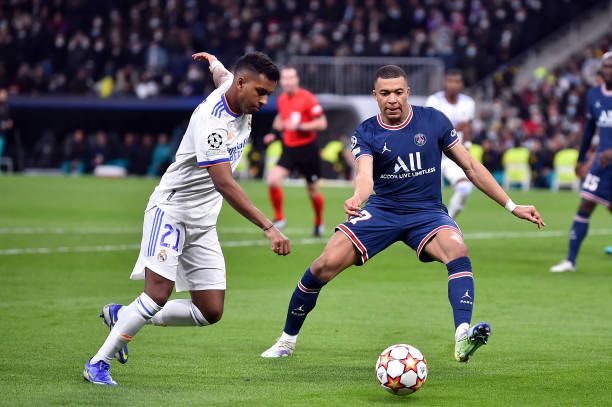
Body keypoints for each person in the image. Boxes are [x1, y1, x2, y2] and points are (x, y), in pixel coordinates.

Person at [261, 65, 545, 363]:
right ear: (375, 96)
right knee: (322, 265)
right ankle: (286, 342)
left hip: (427, 214)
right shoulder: (367, 131)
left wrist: (512, 206)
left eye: (398, 92)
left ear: (407, 92)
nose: (392, 99)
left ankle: (462, 336)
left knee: (457, 248)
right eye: (385, 93)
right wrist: (358, 197)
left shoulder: (433, 120)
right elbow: (365, 176)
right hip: (382, 211)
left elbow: (471, 167)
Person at [83, 51, 290, 386]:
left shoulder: (233, 88)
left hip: (203, 222)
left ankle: (123, 315)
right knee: (157, 294)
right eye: (261, 92)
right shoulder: (214, 122)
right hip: (172, 211)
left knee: (209, 311)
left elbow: (221, 75)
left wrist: (213, 62)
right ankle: (97, 363)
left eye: (269, 93)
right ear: (243, 84)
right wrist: (268, 227)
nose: (266, 101)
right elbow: (223, 182)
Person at [550, 52, 612, 272]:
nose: (609, 70)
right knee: (586, 203)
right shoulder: (594, 95)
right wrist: (580, 158)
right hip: (602, 165)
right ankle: (570, 260)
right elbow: (589, 131)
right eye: (607, 66)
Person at [264, 66, 328, 236]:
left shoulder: (308, 98)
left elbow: (322, 123)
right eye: (284, 78)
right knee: (272, 180)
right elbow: (280, 118)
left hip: (308, 149)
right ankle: (279, 218)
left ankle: (319, 222)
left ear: (297, 80)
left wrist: (299, 126)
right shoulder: (282, 99)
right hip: (289, 149)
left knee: (312, 190)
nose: (287, 82)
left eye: (291, 78)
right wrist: (273, 133)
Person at [426, 70, 476, 218]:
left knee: (465, 188)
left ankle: (449, 220)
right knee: (430, 197)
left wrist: (467, 147)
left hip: (454, 154)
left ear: (462, 84)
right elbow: (429, 128)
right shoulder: (434, 101)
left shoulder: (468, 103)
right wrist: (454, 128)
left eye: (457, 82)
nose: (453, 85)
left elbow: (467, 127)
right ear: (445, 82)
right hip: (434, 153)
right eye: (450, 81)